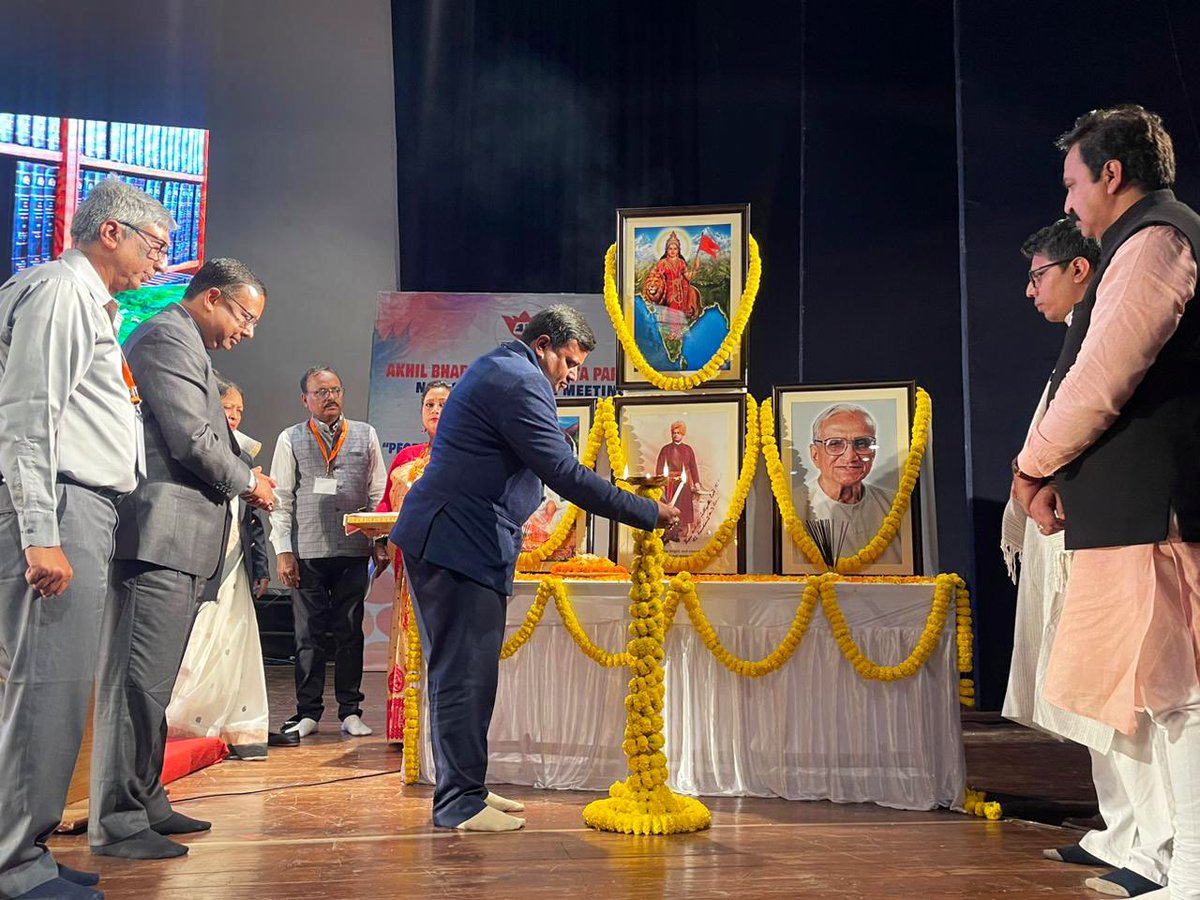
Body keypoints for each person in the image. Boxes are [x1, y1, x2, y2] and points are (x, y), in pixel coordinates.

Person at [391, 304, 678, 832]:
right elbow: (564, 473)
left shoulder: (505, 369)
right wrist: (646, 511)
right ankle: (457, 803)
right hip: (455, 540)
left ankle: (468, 788)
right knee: (463, 675)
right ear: (543, 343)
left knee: (472, 674)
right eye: (568, 361)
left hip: (464, 539)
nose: (572, 375)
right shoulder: (517, 379)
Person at [1013, 105, 1200, 899]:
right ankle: (1167, 861)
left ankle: (1191, 869)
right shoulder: (1138, 241)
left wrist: (1031, 466)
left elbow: (1103, 379)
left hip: (1154, 510)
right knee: (1154, 697)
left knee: (1179, 695)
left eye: (1073, 183)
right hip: (1128, 511)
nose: (1068, 203)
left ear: (1112, 175)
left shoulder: (1157, 239)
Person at [0, 178, 167, 900]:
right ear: (112, 233)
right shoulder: (61, 293)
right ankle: (15, 865)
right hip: (62, 504)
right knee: (45, 688)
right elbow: (28, 416)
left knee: (56, 690)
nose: (159, 263)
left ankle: (24, 848)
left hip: (82, 505)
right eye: (154, 246)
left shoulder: (83, 300)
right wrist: (41, 532)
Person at [1002, 218, 1172, 894]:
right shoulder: (1079, 334)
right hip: (1070, 532)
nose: (1028, 290)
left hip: (1116, 530)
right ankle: (1121, 829)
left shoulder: (1110, 328)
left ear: (1080, 271)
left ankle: (1156, 848)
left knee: (1134, 696)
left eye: (1039, 274)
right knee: (1096, 698)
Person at [90, 257, 273, 861]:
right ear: (212, 297)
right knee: (136, 685)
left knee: (156, 686)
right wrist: (250, 483)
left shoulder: (190, 342)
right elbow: (191, 439)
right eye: (245, 316)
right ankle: (117, 822)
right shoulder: (167, 334)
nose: (248, 332)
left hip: (183, 541)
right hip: (159, 539)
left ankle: (145, 801)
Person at [269, 366, 388, 739]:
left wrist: (379, 542)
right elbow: (280, 499)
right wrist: (283, 551)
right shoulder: (290, 439)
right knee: (309, 634)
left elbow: (377, 495)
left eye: (335, 389)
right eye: (320, 392)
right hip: (307, 552)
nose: (330, 397)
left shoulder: (366, 434)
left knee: (350, 631)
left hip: (353, 551)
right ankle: (308, 712)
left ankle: (350, 710)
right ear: (305, 399)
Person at [166, 375, 272, 761]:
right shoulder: (200, 451)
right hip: (204, 556)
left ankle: (235, 723)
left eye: (239, 411)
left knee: (235, 636)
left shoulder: (243, 452)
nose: (234, 416)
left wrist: (260, 564)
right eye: (227, 409)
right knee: (200, 637)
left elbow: (251, 520)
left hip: (235, 562)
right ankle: (188, 720)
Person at [376, 380, 451, 744]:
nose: (435, 411)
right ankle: (407, 728)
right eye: (429, 405)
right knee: (410, 639)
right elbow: (385, 510)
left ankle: (443, 727)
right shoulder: (406, 460)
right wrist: (375, 535)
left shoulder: (465, 454)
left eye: (443, 404)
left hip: (452, 566)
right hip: (410, 567)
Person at [804, 403, 900, 564]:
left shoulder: (895, 505)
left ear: (873, 452)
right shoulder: (794, 506)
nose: (850, 457)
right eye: (834, 444)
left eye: (861, 443)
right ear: (815, 455)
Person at [643, 231, 701, 339]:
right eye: (670, 248)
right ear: (666, 250)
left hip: (681, 286)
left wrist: (696, 269)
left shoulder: (681, 262)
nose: (673, 251)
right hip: (668, 286)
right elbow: (656, 274)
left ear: (678, 250)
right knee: (673, 303)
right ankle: (674, 331)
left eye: (675, 248)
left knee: (688, 298)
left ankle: (687, 323)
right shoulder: (662, 263)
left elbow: (687, 276)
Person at [655, 421, 701, 543]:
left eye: (678, 433)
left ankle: (682, 533)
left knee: (683, 509)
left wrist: (696, 483)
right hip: (670, 485)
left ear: (683, 434)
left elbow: (693, 467)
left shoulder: (688, 449)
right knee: (670, 508)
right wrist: (660, 483)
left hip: (684, 485)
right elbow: (660, 468)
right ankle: (669, 534)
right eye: (673, 433)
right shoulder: (665, 450)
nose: (675, 435)